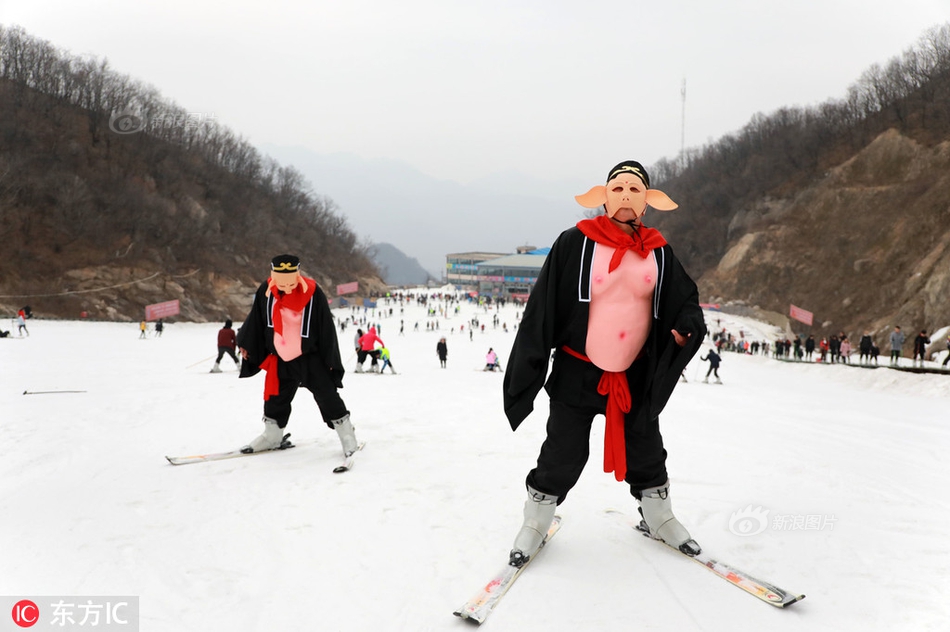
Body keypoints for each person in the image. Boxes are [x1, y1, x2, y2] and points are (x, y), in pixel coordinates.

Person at [503, 160, 706, 567]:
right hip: (578, 371)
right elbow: (541, 308)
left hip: (635, 374)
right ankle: (535, 521)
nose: (626, 195)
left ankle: (659, 517)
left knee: (646, 449)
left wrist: (686, 324)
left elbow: (685, 300)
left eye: (636, 189)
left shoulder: (659, 252)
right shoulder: (574, 243)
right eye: (619, 187)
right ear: (603, 196)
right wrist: (528, 369)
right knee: (562, 451)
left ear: (649, 202)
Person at [236, 254, 360, 457]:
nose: (285, 284)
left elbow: (326, 327)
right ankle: (272, 435)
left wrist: (330, 359)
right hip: (279, 357)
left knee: (327, 396)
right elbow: (256, 320)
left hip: (309, 357)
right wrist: (246, 343)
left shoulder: (312, 293)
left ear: (298, 274)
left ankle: (347, 435)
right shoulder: (266, 292)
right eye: (280, 279)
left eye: (289, 279)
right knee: (275, 398)